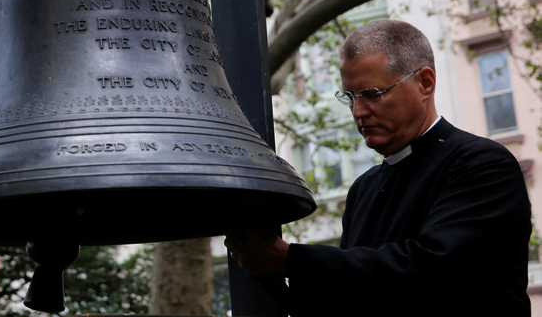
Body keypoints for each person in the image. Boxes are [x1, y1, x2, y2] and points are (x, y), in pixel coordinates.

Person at [225, 19, 531, 316]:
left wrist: (291, 259)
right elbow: (350, 300)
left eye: (373, 94)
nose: (358, 111)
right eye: (350, 97)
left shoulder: (482, 163)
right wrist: (267, 268)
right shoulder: (364, 188)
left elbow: (434, 271)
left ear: (425, 83)